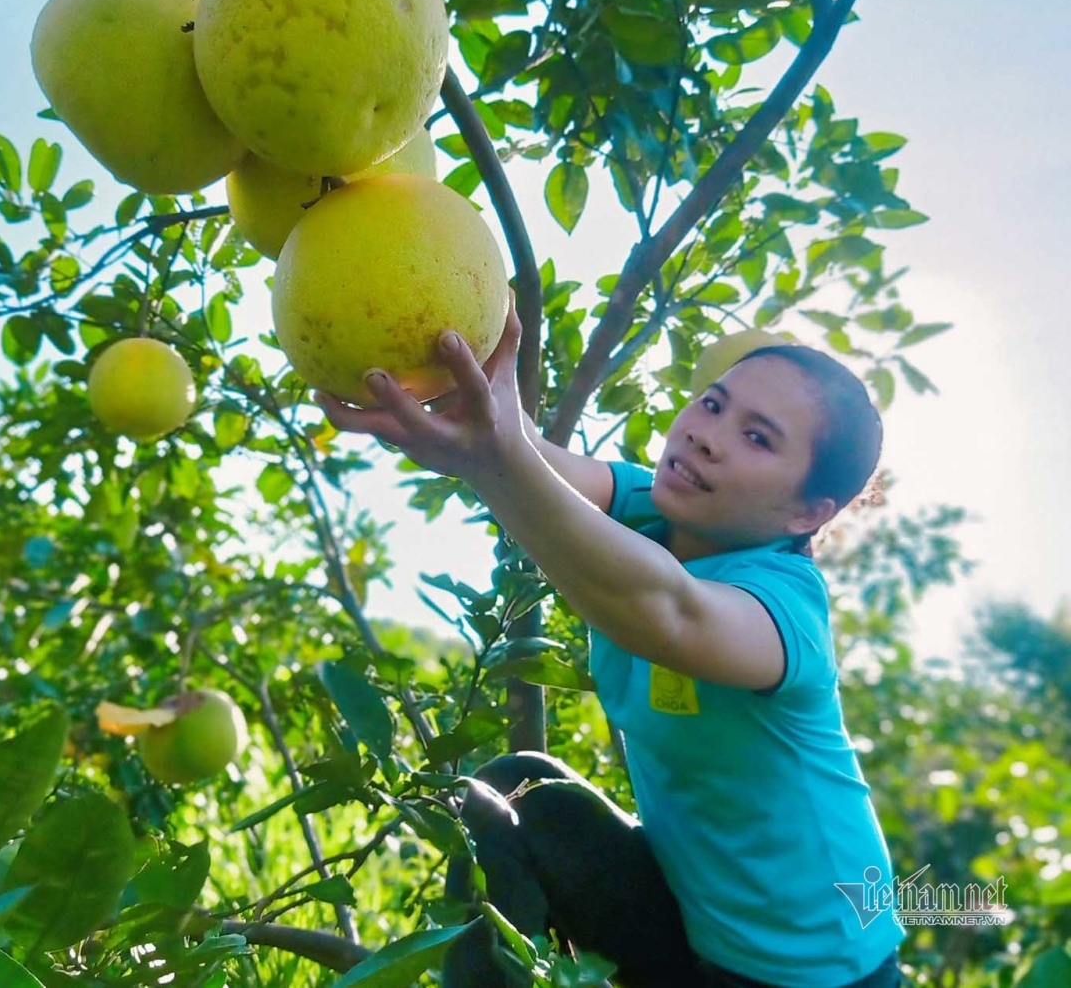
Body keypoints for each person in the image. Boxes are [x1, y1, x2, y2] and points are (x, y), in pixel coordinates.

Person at [314, 291, 906, 988]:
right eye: (713, 404)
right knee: (514, 787)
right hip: (691, 931)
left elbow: (664, 609)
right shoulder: (655, 508)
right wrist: (469, 401)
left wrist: (491, 462)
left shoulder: (782, 604)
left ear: (807, 511)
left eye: (758, 437)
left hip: (819, 972)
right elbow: (531, 458)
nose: (706, 434)